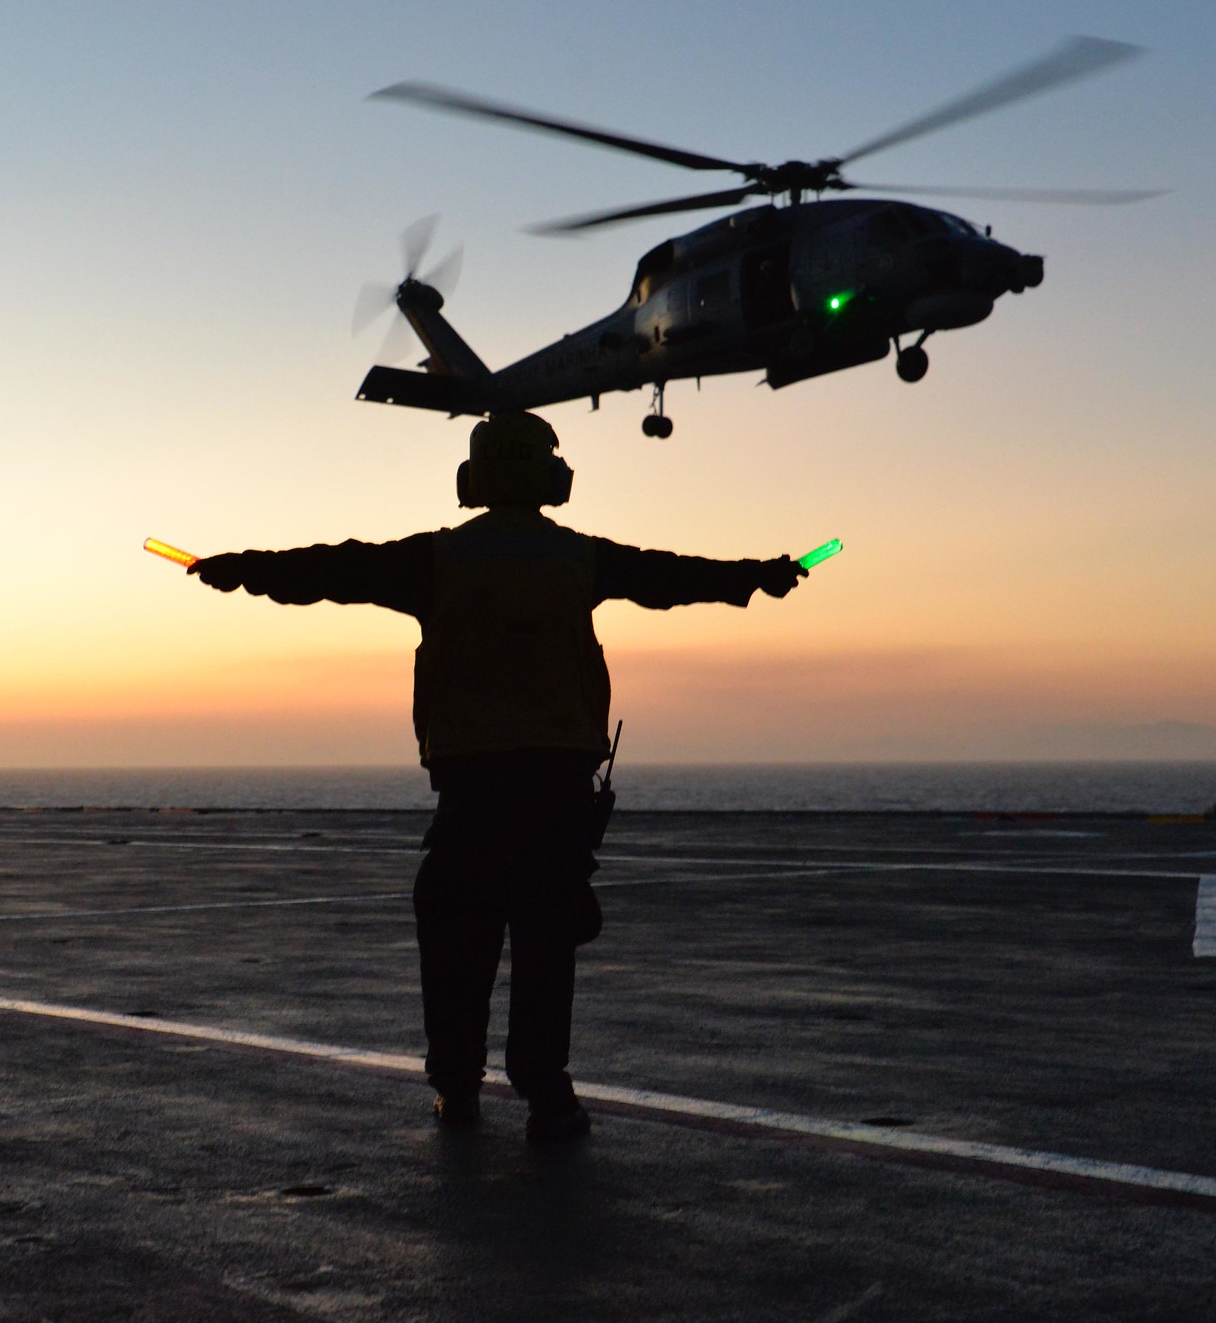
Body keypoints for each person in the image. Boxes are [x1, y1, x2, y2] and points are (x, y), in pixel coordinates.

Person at [189, 411, 804, 1143]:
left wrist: (239, 568)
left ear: (474, 478)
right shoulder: (579, 559)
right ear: (549, 475)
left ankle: (456, 1086)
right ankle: (547, 1095)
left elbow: (331, 568)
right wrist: (755, 578)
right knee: (545, 948)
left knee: (455, 943)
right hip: (554, 794)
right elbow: (670, 576)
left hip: (470, 795)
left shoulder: (440, 561)